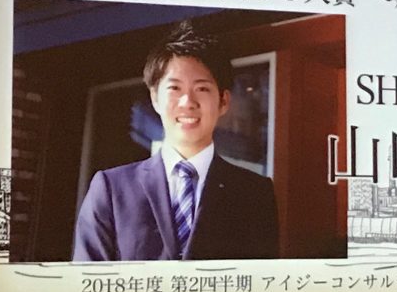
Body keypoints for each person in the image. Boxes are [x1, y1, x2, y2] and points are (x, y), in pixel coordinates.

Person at [72, 21, 280, 261]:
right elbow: (87, 278)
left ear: (223, 101)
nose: (187, 102)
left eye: (202, 89)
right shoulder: (111, 189)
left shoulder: (255, 194)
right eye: (174, 88)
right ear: (155, 98)